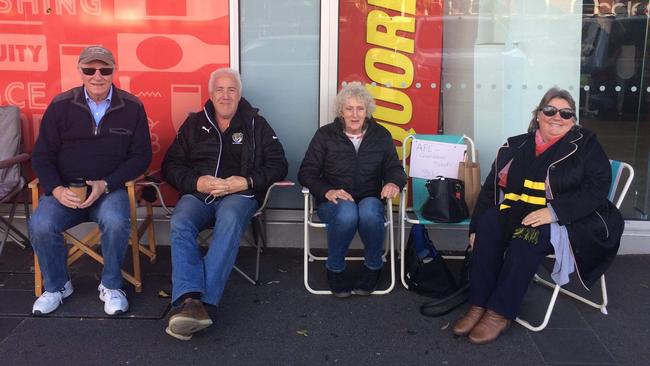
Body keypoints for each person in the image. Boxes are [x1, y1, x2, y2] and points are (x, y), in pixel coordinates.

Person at [452, 87, 624, 344]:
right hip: (517, 210)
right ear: (539, 115)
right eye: (550, 110)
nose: (558, 117)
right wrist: (475, 226)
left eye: (566, 113)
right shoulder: (515, 144)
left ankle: (499, 312)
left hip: (565, 218)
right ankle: (478, 304)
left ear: (573, 120)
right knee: (488, 227)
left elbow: (597, 189)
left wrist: (554, 212)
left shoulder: (586, 145)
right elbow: (489, 188)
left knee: (527, 237)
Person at [162, 68, 288, 341]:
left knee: (230, 218)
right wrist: (196, 182)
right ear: (211, 93)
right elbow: (170, 165)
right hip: (200, 196)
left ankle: (196, 302)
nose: (226, 95)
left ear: (239, 93)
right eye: (220, 89)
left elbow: (279, 164)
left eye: (231, 89)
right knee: (181, 219)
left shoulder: (256, 124)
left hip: (238, 196)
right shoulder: (194, 124)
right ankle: (192, 300)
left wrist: (245, 181)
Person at [29, 45, 152, 316]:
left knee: (117, 221)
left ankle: (111, 285)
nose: (98, 75)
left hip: (109, 189)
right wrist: (57, 189)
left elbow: (142, 157)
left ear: (113, 71)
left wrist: (107, 183)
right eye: (90, 69)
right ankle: (57, 286)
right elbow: (42, 155)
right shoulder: (61, 105)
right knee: (40, 224)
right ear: (80, 71)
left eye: (105, 69)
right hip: (67, 190)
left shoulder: (132, 106)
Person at [298, 81, 406, 298]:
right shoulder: (325, 135)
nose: (355, 114)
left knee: (368, 212)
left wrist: (394, 182)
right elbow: (306, 172)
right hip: (334, 202)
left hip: (369, 198)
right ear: (341, 111)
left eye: (360, 109)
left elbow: (395, 169)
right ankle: (335, 268)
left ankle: (373, 267)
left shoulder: (381, 135)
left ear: (367, 111)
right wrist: (327, 191)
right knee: (347, 213)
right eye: (349, 108)